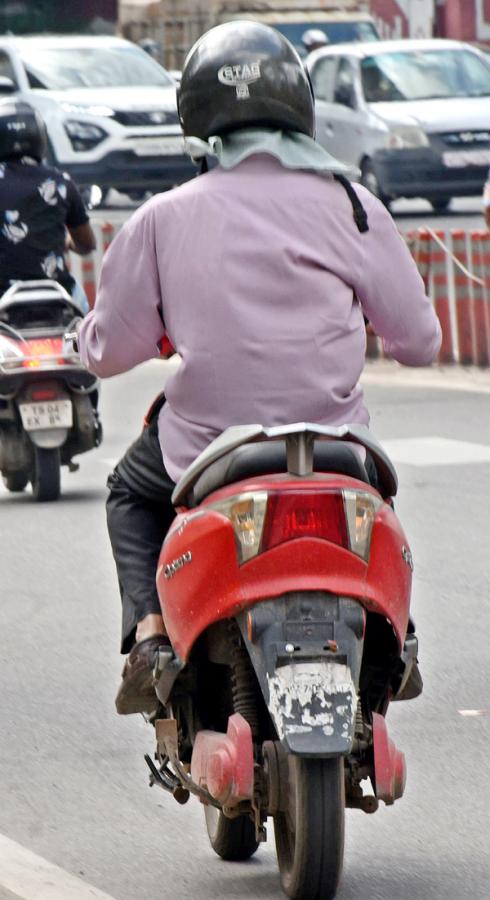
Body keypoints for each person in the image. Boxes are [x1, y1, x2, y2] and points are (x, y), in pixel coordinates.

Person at [78, 21, 442, 716]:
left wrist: (95, 334)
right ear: (299, 105)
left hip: (208, 452)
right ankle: (397, 634)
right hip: (335, 448)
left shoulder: (161, 218)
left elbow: (110, 349)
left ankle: (151, 638)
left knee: (131, 492)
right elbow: (420, 343)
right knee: (374, 503)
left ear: (197, 119)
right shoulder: (353, 207)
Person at [0, 100, 96, 313]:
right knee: (86, 328)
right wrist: (67, 242)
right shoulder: (60, 182)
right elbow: (87, 244)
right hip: (56, 294)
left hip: (3, 295)